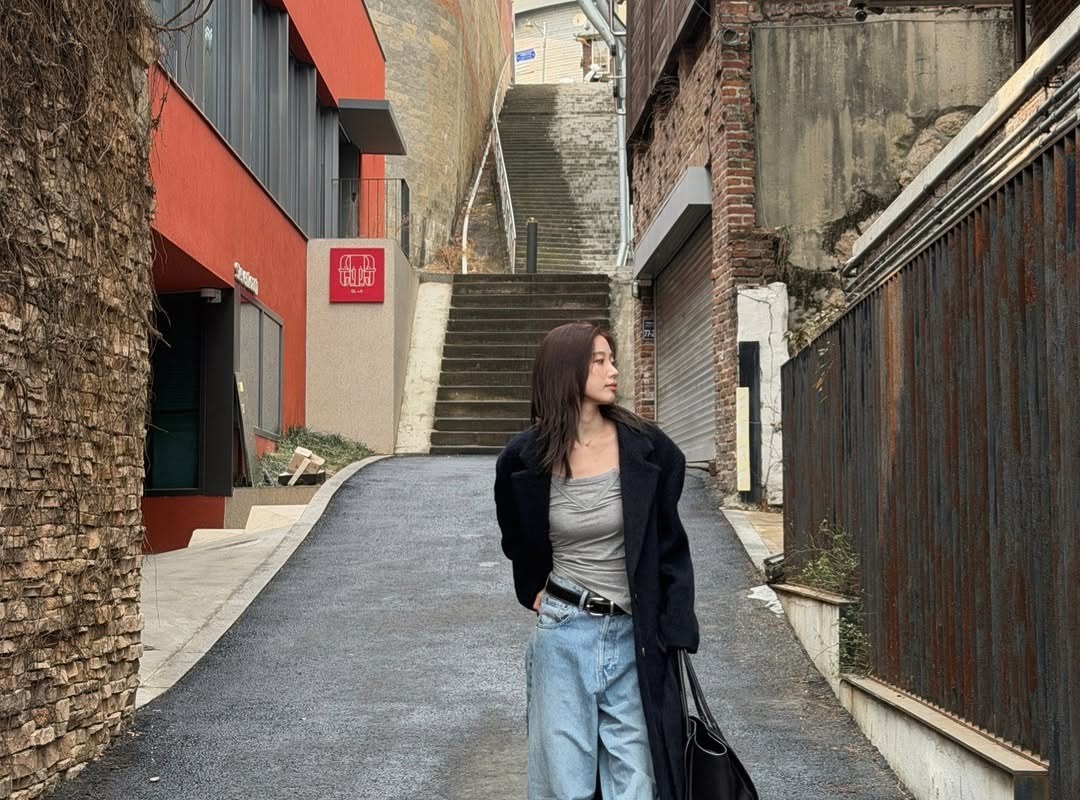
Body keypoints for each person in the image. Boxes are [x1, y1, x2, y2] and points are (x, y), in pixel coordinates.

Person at [494, 322, 699, 800]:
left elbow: (669, 544)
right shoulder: (524, 459)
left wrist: (675, 627)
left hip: (634, 635)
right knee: (565, 785)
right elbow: (516, 537)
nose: (613, 371)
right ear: (566, 371)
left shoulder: (649, 449)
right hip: (563, 634)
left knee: (637, 782)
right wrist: (533, 587)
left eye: (612, 359)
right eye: (599, 361)